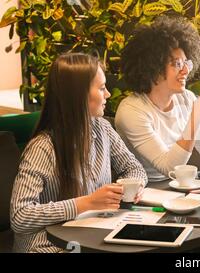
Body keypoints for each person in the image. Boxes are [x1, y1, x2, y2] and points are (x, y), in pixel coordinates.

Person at [10, 53, 147, 253]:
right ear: (79, 95)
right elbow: (20, 216)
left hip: (91, 237)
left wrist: (132, 187)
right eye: (101, 88)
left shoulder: (102, 128)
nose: (108, 94)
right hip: (48, 246)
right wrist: (86, 203)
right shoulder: (43, 147)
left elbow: (134, 168)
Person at [115, 15, 200, 181]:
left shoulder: (186, 98)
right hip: (148, 191)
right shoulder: (132, 111)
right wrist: (195, 116)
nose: (186, 71)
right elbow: (170, 168)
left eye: (186, 63)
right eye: (177, 64)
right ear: (154, 67)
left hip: (181, 185)